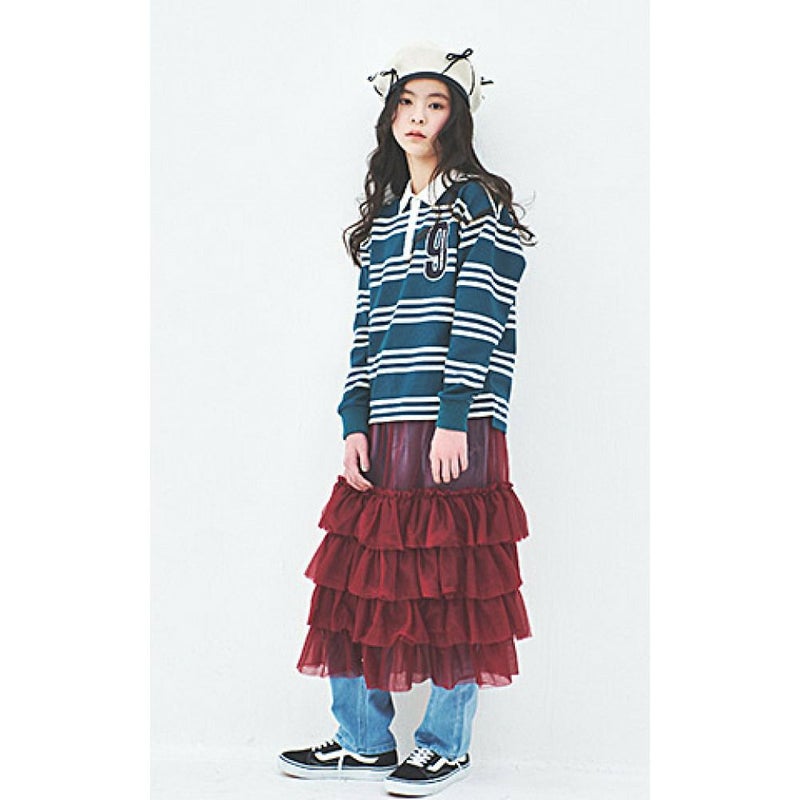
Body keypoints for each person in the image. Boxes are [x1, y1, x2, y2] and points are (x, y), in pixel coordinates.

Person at [278, 41, 537, 797]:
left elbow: (484, 312)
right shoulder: (389, 221)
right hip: (386, 422)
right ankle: (362, 740)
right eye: (406, 103)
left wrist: (454, 416)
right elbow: (366, 333)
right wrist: (352, 422)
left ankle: (444, 745)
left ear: (457, 119)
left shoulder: (477, 203)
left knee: (455, 582)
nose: (417, 116)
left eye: (436, 104)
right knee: (361, 582)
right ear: (390, 116)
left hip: (457, 422)